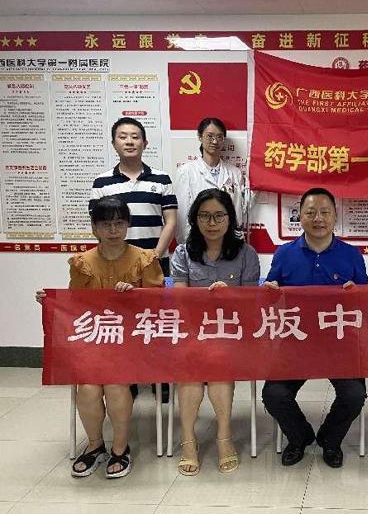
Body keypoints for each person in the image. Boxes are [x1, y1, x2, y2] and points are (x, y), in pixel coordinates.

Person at [35, 196, 164, 478]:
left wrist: (137, 295)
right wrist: (50, 301)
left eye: (119, 223)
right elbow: (75, 305)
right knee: (89, 388)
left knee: (115, 385)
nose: (113, 230)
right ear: (94, 228)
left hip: (133, 340)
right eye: (106, 224)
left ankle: (120, 448)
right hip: (95, 340)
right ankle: (95, 446)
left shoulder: (145, 259)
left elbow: (159, 304)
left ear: (128, 225)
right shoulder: (82, 262)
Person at [262, 187, 368, 468]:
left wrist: (356, 293)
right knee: (274, 394)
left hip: (339, 341)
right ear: (300, 216)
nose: (318, 218)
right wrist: (270, 290)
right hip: (295, 340)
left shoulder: (351, 254)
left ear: (335, 216)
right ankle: (300, 438)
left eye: (324, 212)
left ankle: (330, 441)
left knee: (354, 395)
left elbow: (366, 299)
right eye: (311, 212)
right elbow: (271, 293)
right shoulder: (284, 253)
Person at [170, 188, 260, 476]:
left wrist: (230, 297)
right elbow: (180, 302)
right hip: (193, 332)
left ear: (230, 218)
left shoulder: (246, 254)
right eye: (204, 216)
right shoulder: (182, 253)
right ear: (194, 219)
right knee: (190, 372)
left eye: (219, 216)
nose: (212, 223)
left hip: (232, 334)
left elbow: (251, 304)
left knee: (219, 365)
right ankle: (188, 440)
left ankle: (224, 437)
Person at [91, 117, 177, 401]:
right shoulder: (102, 182)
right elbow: (98, 225)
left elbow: (170, 221)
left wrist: (153, 256)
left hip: (155, 262)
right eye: (123, 136)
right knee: (123, 322)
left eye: (135, 136)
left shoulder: (161, 179)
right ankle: (127, 377)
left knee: (158, 321)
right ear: (114, 143)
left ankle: (160, 378)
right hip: (116, 264)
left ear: (145, 142)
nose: (129, 141)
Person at [174, 117, 249, 245]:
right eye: (210, 136)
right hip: (198, 242)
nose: (215, 141)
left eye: (219, 137)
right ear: (200, 137)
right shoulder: (186, 172)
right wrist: (188, 244)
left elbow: (238, 211)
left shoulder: (234, 173)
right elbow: (182, 215)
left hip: (229, 242)